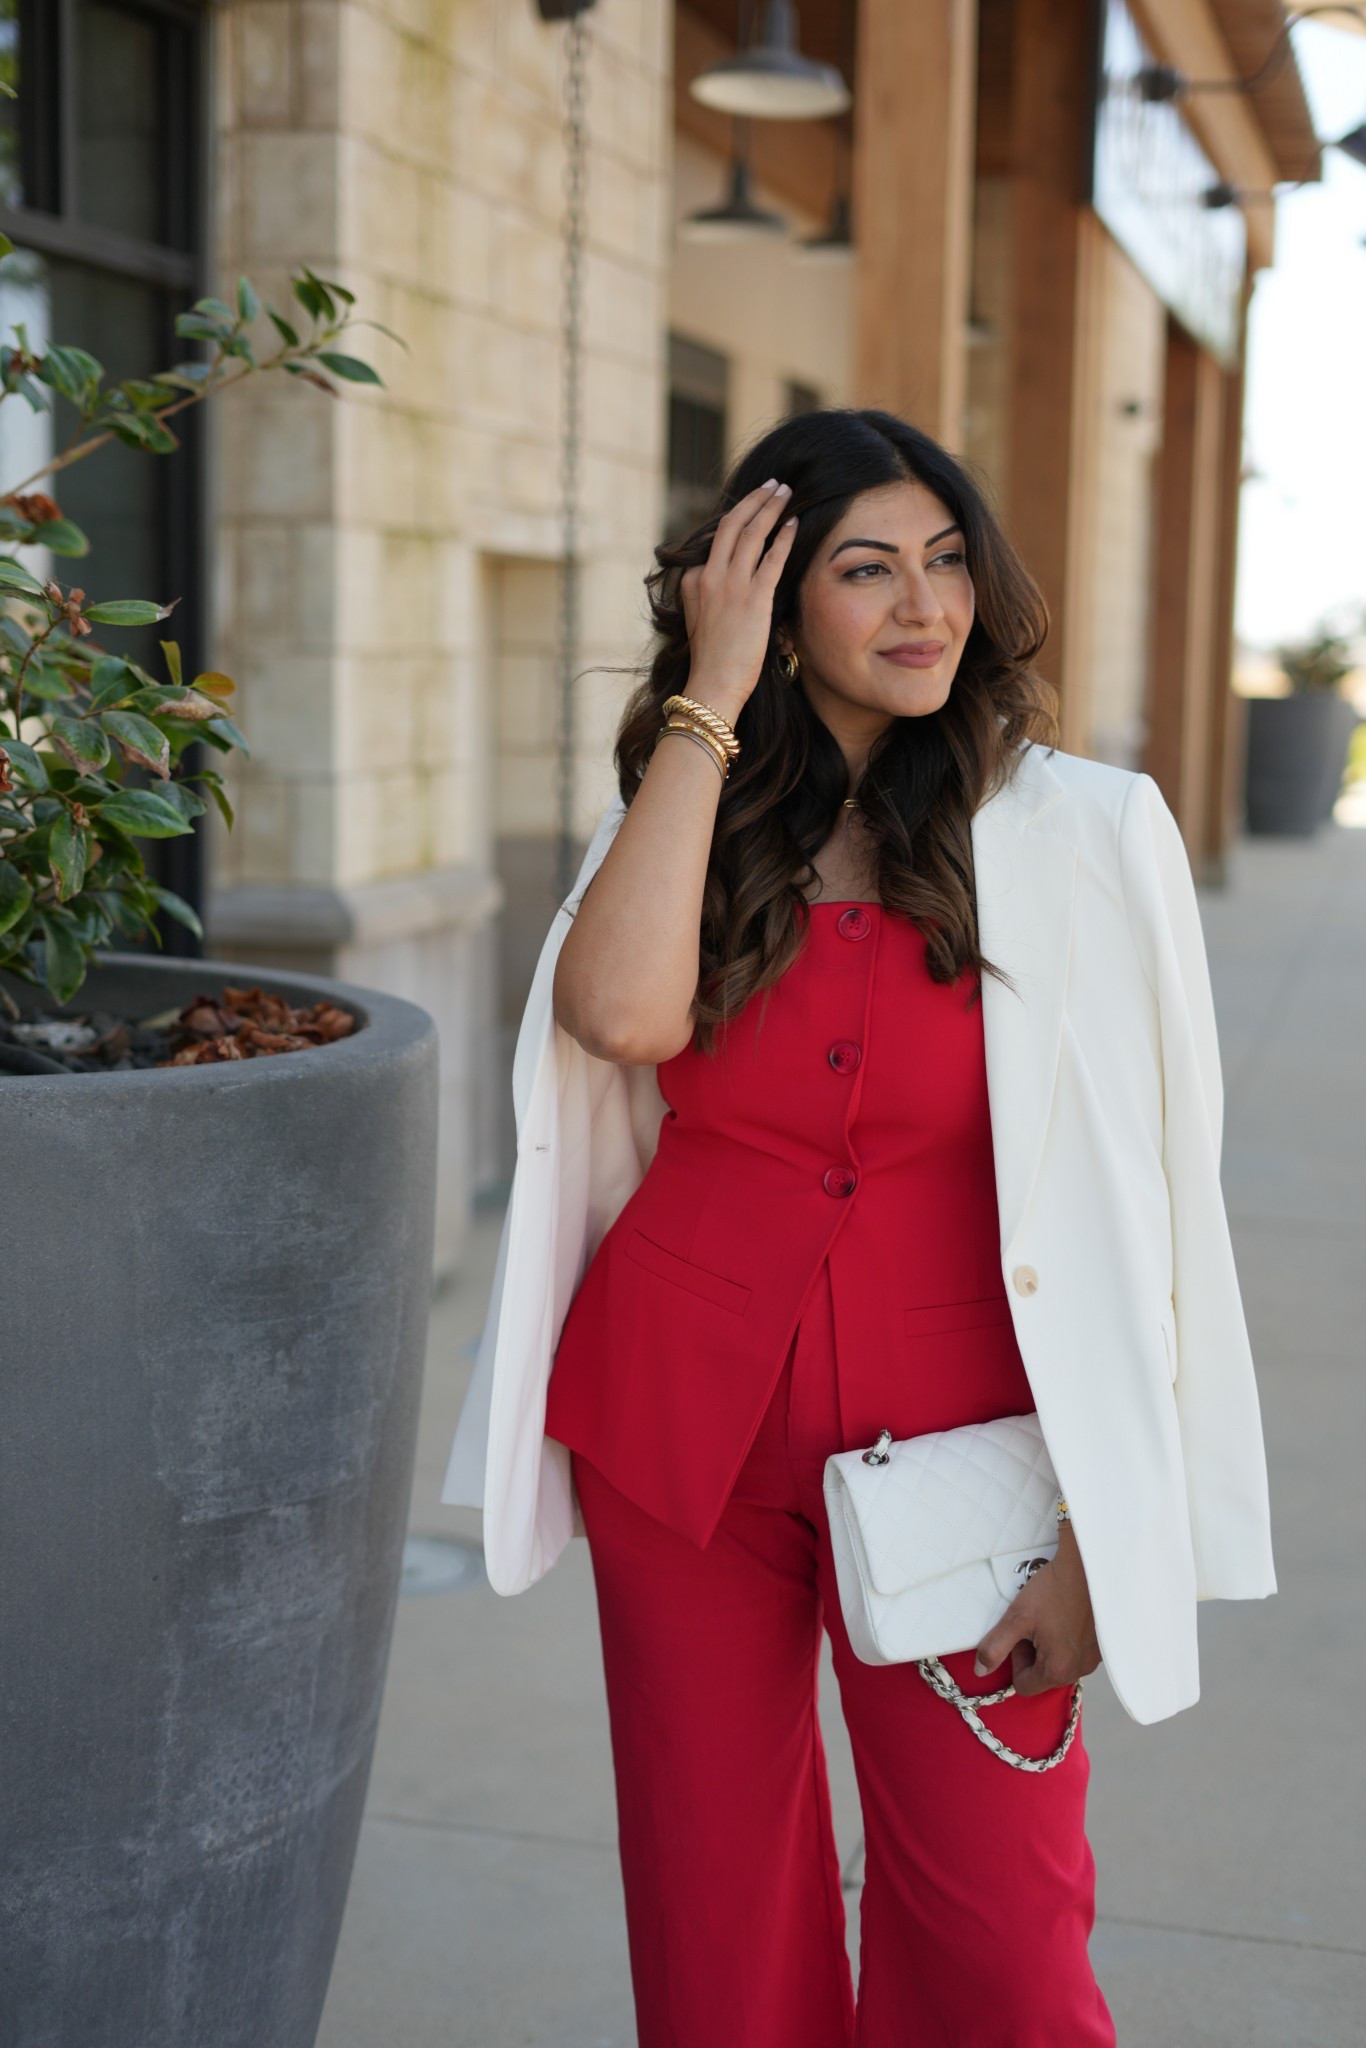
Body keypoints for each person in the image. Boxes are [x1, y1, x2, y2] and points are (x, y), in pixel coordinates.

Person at [442, 407, 1277, 2048]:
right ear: (768, 595)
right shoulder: (700, 808)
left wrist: (1111, 1532)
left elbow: (1169, 1206)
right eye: (864, 568)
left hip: (970, 1458)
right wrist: (711, 690)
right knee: (715, 1914)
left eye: (949, 560)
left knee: (1003, 1945)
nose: (923, 607)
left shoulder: (1087, 834)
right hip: (679, 1427)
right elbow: (618, 1017)